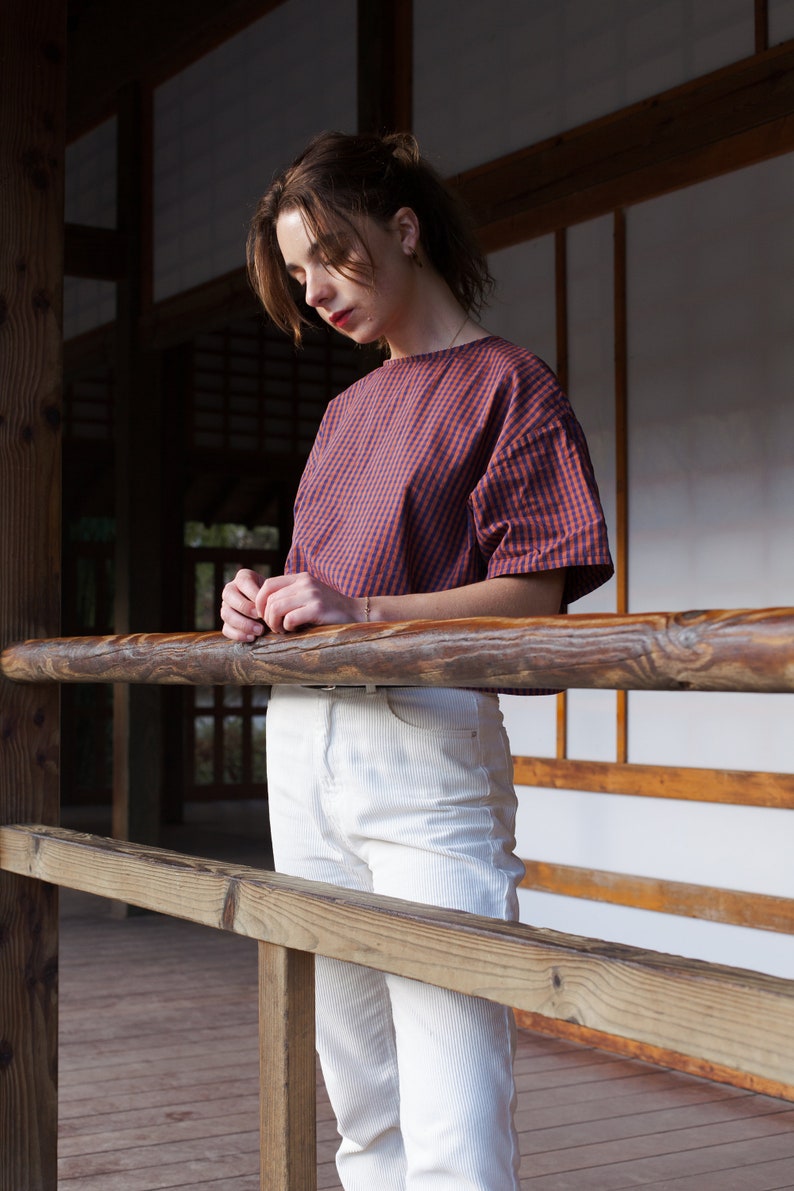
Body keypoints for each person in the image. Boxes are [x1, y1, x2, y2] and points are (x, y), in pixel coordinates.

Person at [220, 130, 613, 1191]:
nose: (315, 294)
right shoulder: (345, 410)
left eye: (330, 258)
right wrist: (261, 602)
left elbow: (533, 597)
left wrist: (363, 610)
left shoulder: (507, 385)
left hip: (423, 744)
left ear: (402, 229)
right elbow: (320, 582)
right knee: (357, 1090)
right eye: (298, 276)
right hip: (303, 744)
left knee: (448, 1090)